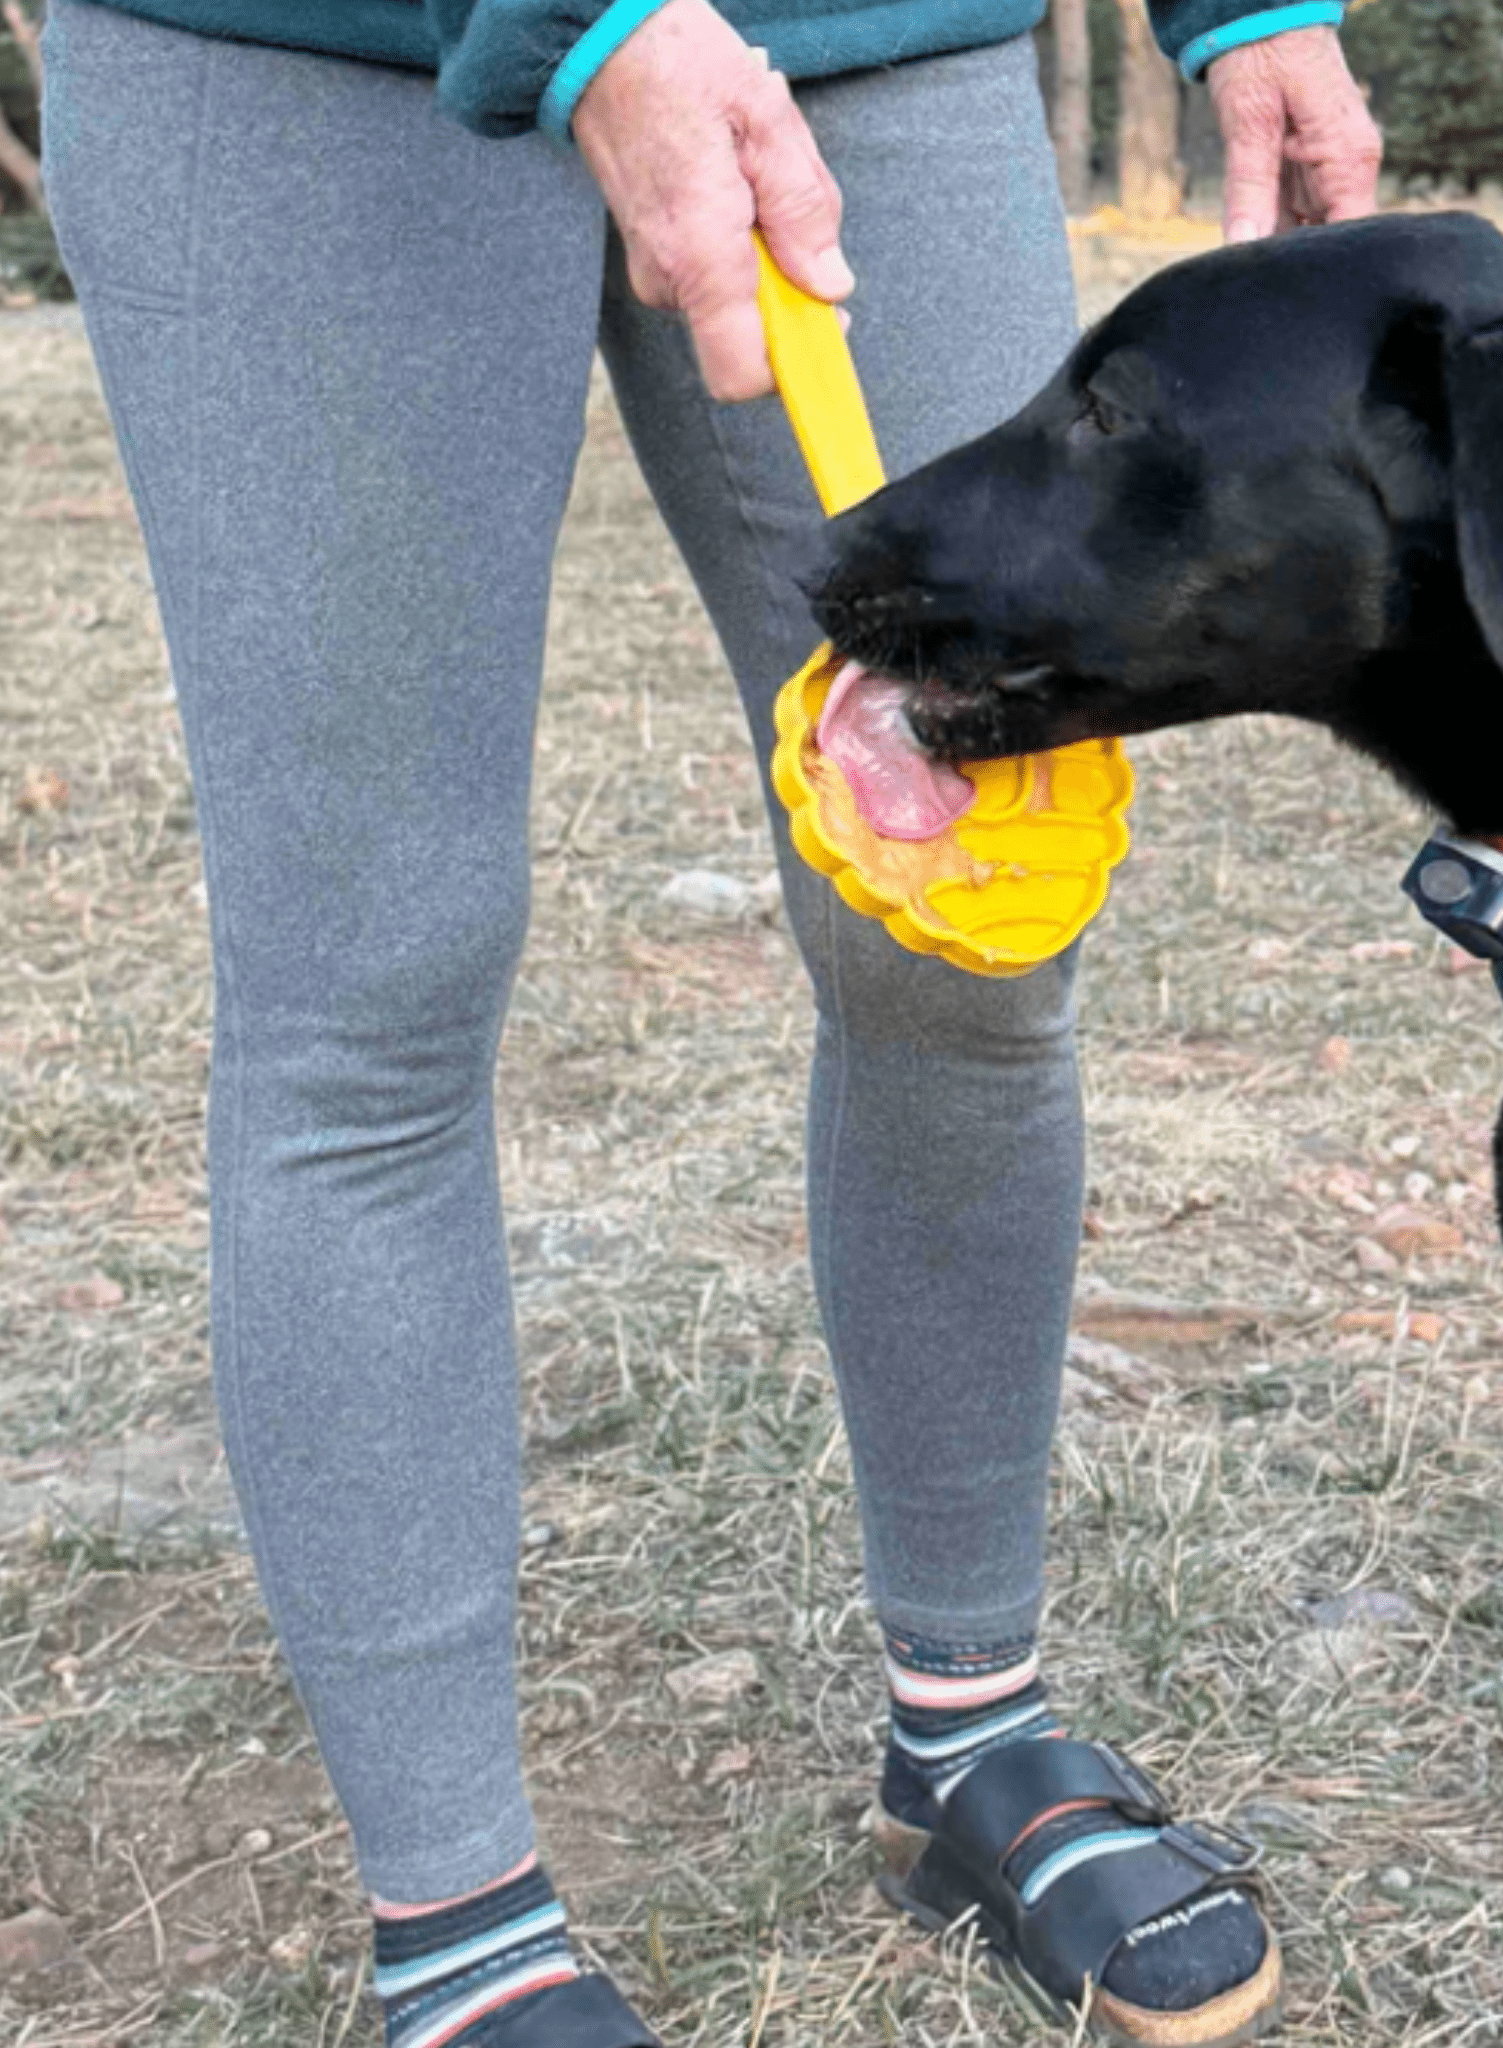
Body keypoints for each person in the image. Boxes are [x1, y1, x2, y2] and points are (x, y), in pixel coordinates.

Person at [38, 0, 1380, 2041]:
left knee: (972, 915)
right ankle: (462, 1924)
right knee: (370, 987)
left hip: (861, 36)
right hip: (299, 57)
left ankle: (965, 1727)